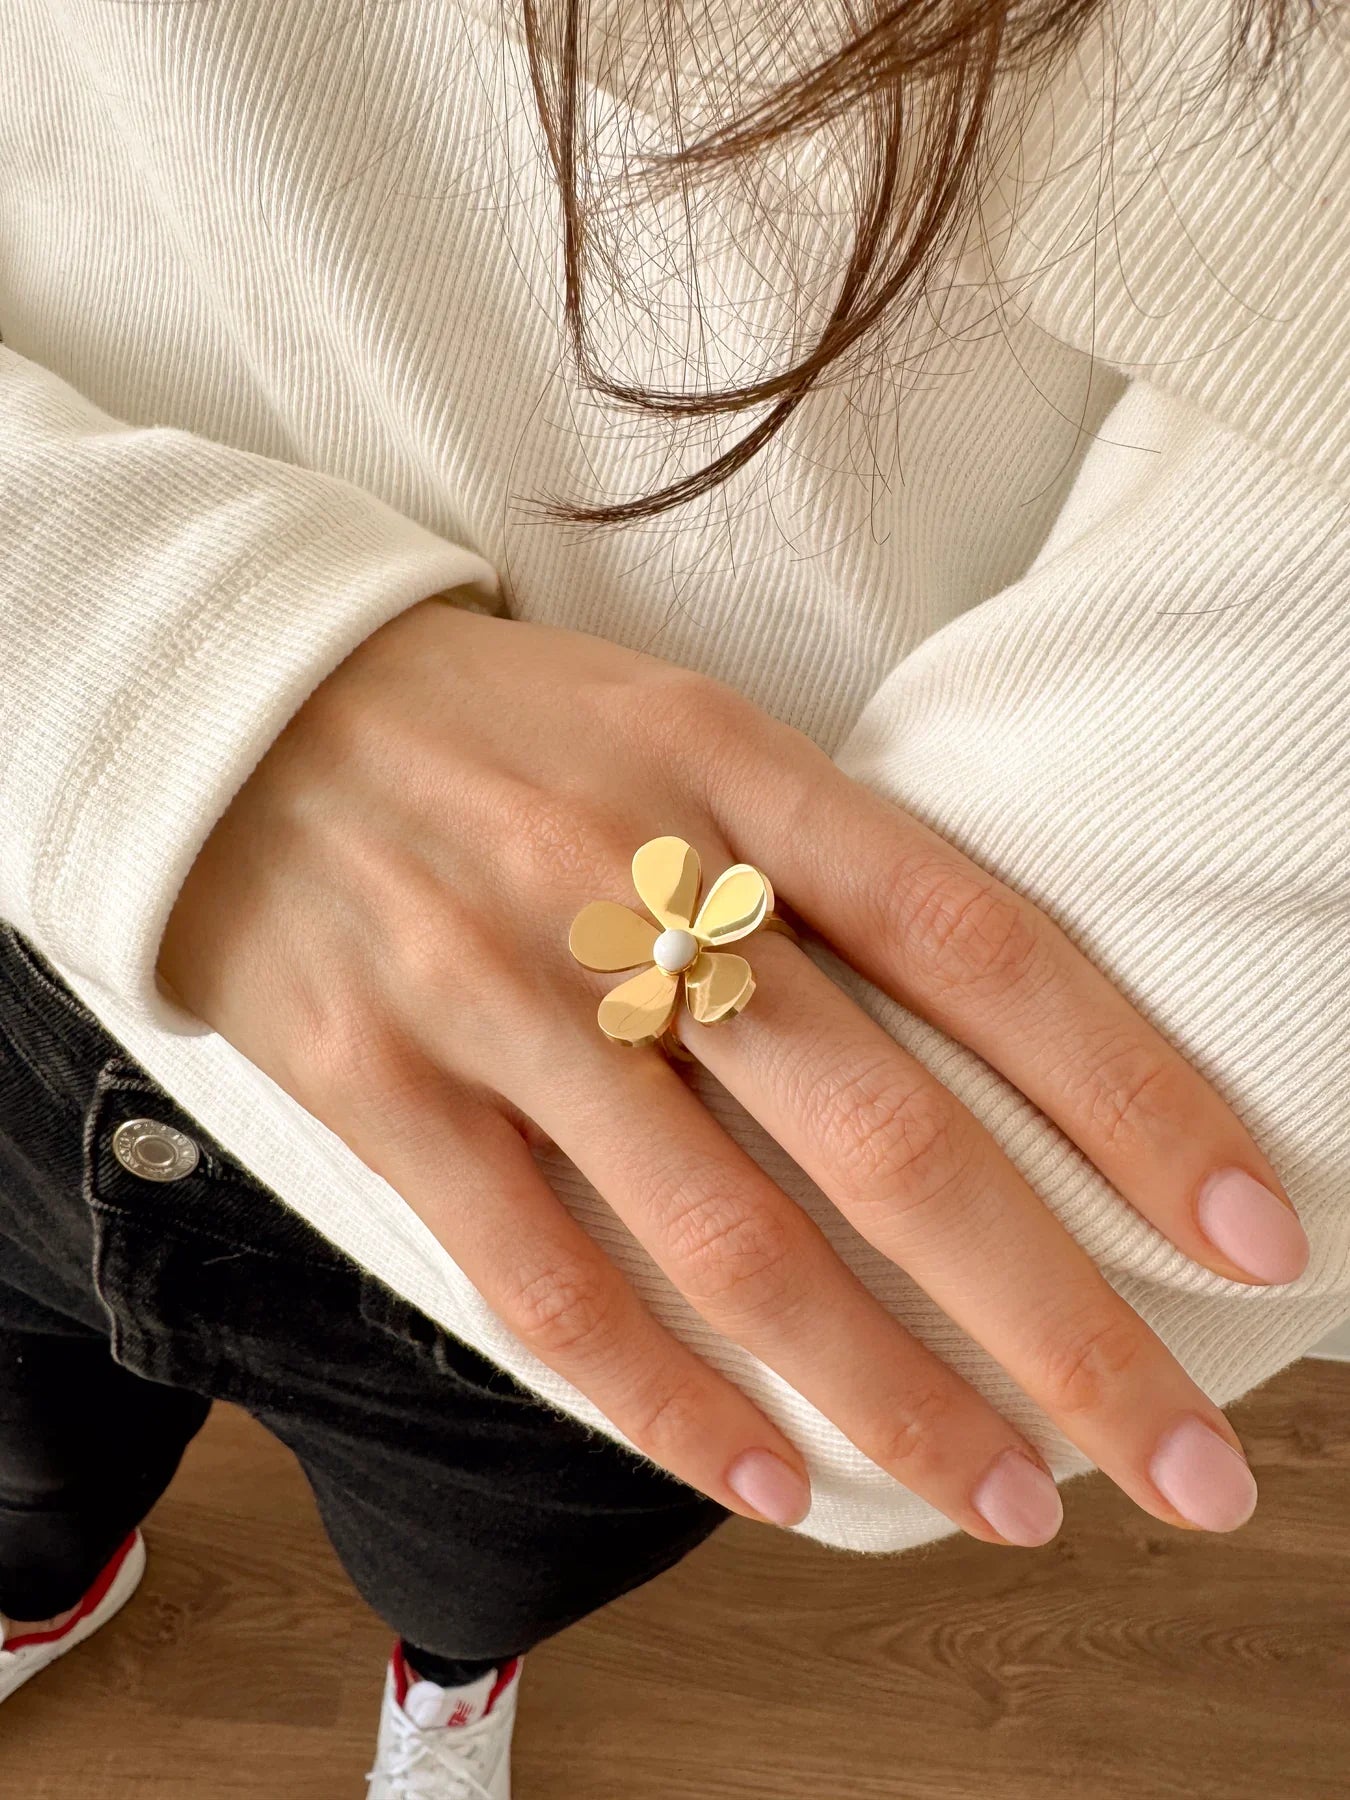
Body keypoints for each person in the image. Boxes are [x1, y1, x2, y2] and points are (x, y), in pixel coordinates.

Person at [0, 0, 1345, 1793]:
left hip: (570, 1211)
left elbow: (920, 1345)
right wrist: (137, 680)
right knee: (25, 1455)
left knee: (477, 1549)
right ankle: (55, 1583)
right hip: (40, 984)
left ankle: (450, 1675)